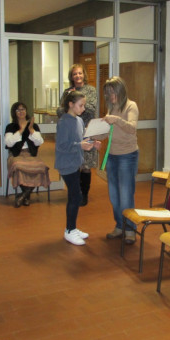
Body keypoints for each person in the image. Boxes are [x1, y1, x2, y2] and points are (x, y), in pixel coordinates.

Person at [55, 91, 100, 245]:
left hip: (75, 163)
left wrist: (92, 143)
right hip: (66, 164)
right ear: (71, 104)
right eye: (81, 105)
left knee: (75, 196)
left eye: (84, 105)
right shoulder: (63, 122)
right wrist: (80, 145)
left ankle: (72, 228)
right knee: (76, 196)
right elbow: (62, 146)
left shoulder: (79, 120)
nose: (83, 108)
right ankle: (69, 230)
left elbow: (82, 139)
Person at [99, 77, 139, 245]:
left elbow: (132, 128)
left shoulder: (131, 106)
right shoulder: (111, 108)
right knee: (114, 195)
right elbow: (108, 132)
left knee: (125, 194)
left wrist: (116, 119)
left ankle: (130, 229)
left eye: (113, 92)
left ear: (121, 91)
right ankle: (119, 226)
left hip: (127, 156)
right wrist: (94, 135)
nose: (111, 95)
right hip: (112, 156)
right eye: (108, 93)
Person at [57, 64, 98, 206]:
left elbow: (91, 110)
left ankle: (84, 194)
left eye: (80, 73)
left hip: (87, 131)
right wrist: (70, 103)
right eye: (75, 74)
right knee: (75, 165)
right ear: (71, 76)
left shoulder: (91, 90)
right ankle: (76, 192)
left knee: (86, 165)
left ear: (84, 74)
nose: (78, 76)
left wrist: (78, 102)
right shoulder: (67, 92)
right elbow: (60, 110)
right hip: (72, 132)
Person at [4, 102, 51, 207]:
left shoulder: (33, 126)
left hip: (30, 154)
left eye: (23, 109)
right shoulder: (11, 127)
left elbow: (39, 142)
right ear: (14, 112)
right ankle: (27, 195)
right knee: (18, 166)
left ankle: (24, 195)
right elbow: (9, 143)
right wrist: (21, 130)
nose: (21, 112)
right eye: (18, 110)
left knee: (41, 166)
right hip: (16, 155)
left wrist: (31, 130)